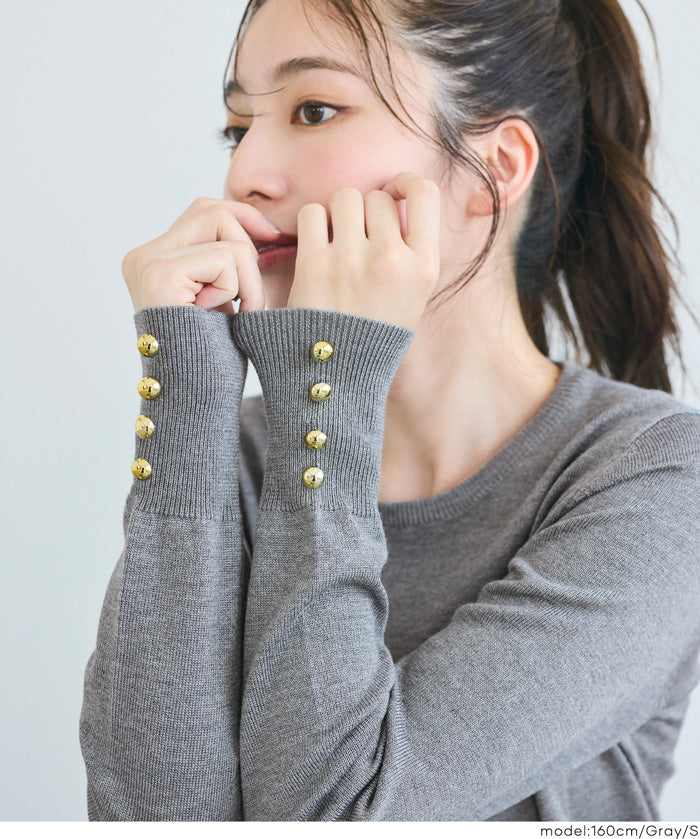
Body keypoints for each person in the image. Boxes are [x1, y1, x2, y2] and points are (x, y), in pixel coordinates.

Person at [79, 0, 700, 822]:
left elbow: (339, 815)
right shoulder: (241, 454)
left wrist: (326, 369)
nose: (246, 175)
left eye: (315, 110)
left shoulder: (660, 480)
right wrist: (185, 378)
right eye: (239, 127)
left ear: (497, 168)